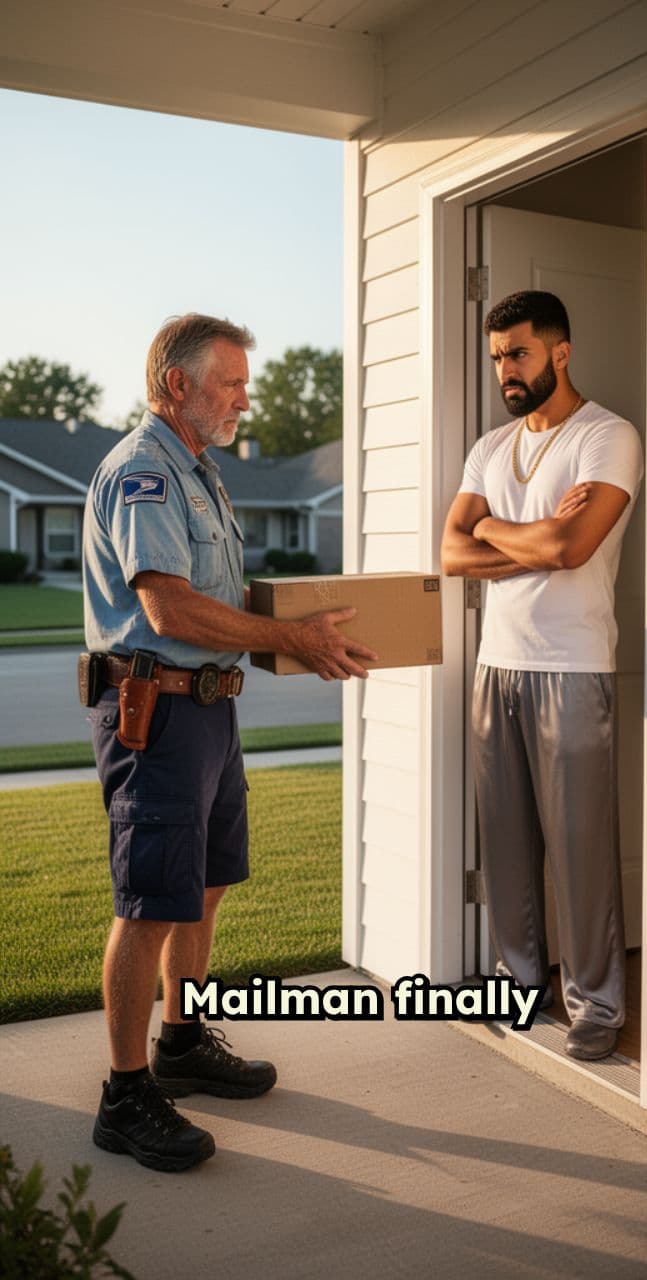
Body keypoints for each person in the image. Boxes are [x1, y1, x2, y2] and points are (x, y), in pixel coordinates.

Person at [82, 313, 377, 1172]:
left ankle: (179, 1039)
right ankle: (125, 1093)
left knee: (204, 888)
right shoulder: (144, 471)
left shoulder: (201, 473)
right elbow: (169, 608)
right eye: (232, 382)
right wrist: (295, 641)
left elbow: (218, 595)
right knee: (149, 905)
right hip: (156, 713)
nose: (246, 398)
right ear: (178, 384)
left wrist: (302, 629)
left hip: (209, 706)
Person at [441, 290, 643, 1062]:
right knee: (508, 847)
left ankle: (597, 1004)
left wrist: (490, 525)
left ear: (560, 351)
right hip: (497, 665)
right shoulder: (491, 449)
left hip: (573, 664)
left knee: (583, 847)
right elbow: (451, 554)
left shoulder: (606, 437)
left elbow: (571, 549)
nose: (505, 370)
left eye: (518, 353)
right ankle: (516, 984)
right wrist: (514, 530)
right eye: (497, 357)